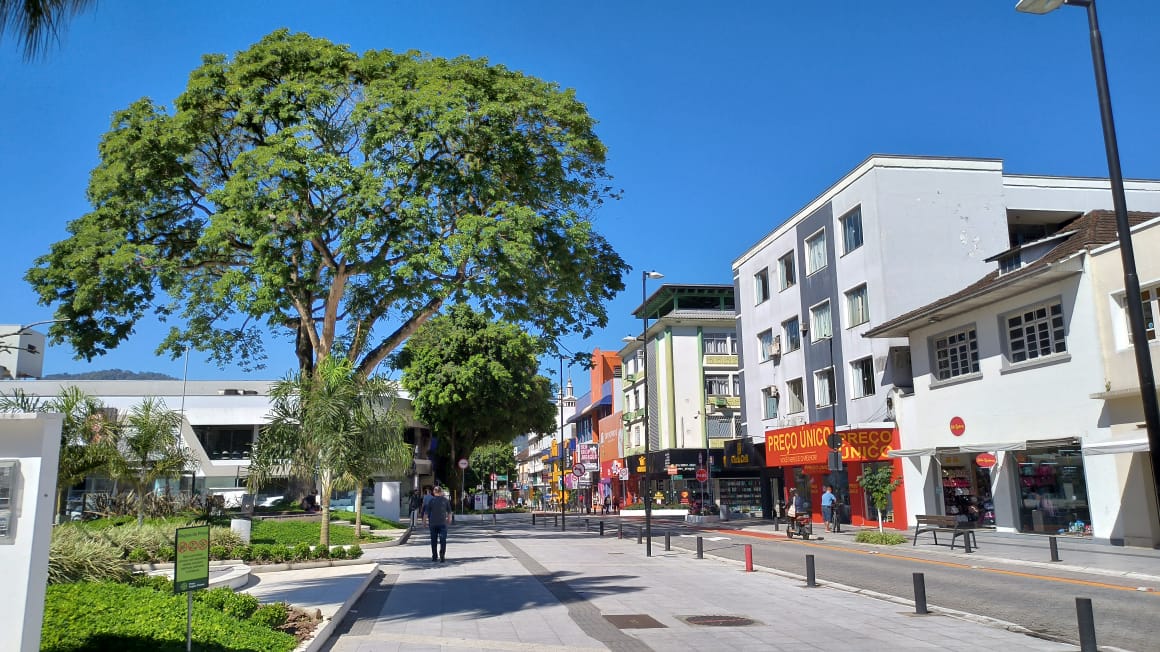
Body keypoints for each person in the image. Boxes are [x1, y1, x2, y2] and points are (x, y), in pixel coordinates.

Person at [426, 486, 452, 562]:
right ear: (441, 492)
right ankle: (442, 555)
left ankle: (434, 556)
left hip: (433, 523)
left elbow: (426, 513)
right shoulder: (445, 500)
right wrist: (449, 519)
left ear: (434, 492)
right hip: (442, 523)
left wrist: (424, 522)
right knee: (443, 540)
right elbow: (449, 512)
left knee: (433, 540)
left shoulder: (431, 500)